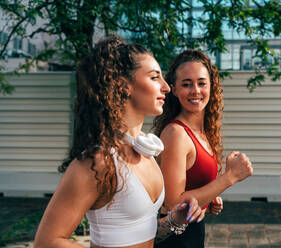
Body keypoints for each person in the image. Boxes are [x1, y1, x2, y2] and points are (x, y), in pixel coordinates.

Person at [34, 36, 204, 248]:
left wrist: (174, 221)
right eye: (154, 78)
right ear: (124, 85)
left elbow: (139, 233)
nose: (166, 87)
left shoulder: (145, 152)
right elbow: (46, 242)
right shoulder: (98, 162)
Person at [152, 50, 254, 248]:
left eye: (201, 83)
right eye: (186, 84)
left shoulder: (203, 132)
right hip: (175, 241)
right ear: (173, 89)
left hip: (193, 236)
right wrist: (229, 177)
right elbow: (174, 204)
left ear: (211, 86)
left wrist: (207, 201)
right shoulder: (176, 133)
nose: (195, 91)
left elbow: (190, 191)